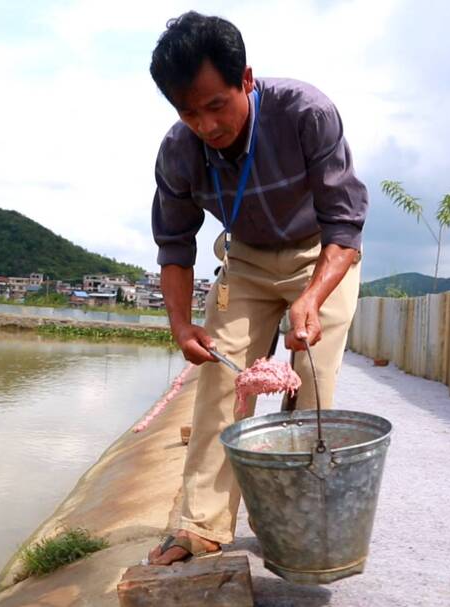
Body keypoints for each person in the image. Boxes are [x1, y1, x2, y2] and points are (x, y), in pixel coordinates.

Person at [146, 11, 368, 565]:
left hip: (319, 258)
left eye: (216, 105)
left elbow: (345, 228)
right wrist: (180, 324)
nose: (206, 125)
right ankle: (201, 525)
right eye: (188, 112)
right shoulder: (178, 151)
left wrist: (311, 300)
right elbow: (175, 246)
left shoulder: (306, 114)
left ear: (246, 79)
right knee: (222, 390)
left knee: (313, 397)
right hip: (243, 264)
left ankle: (300, 526)